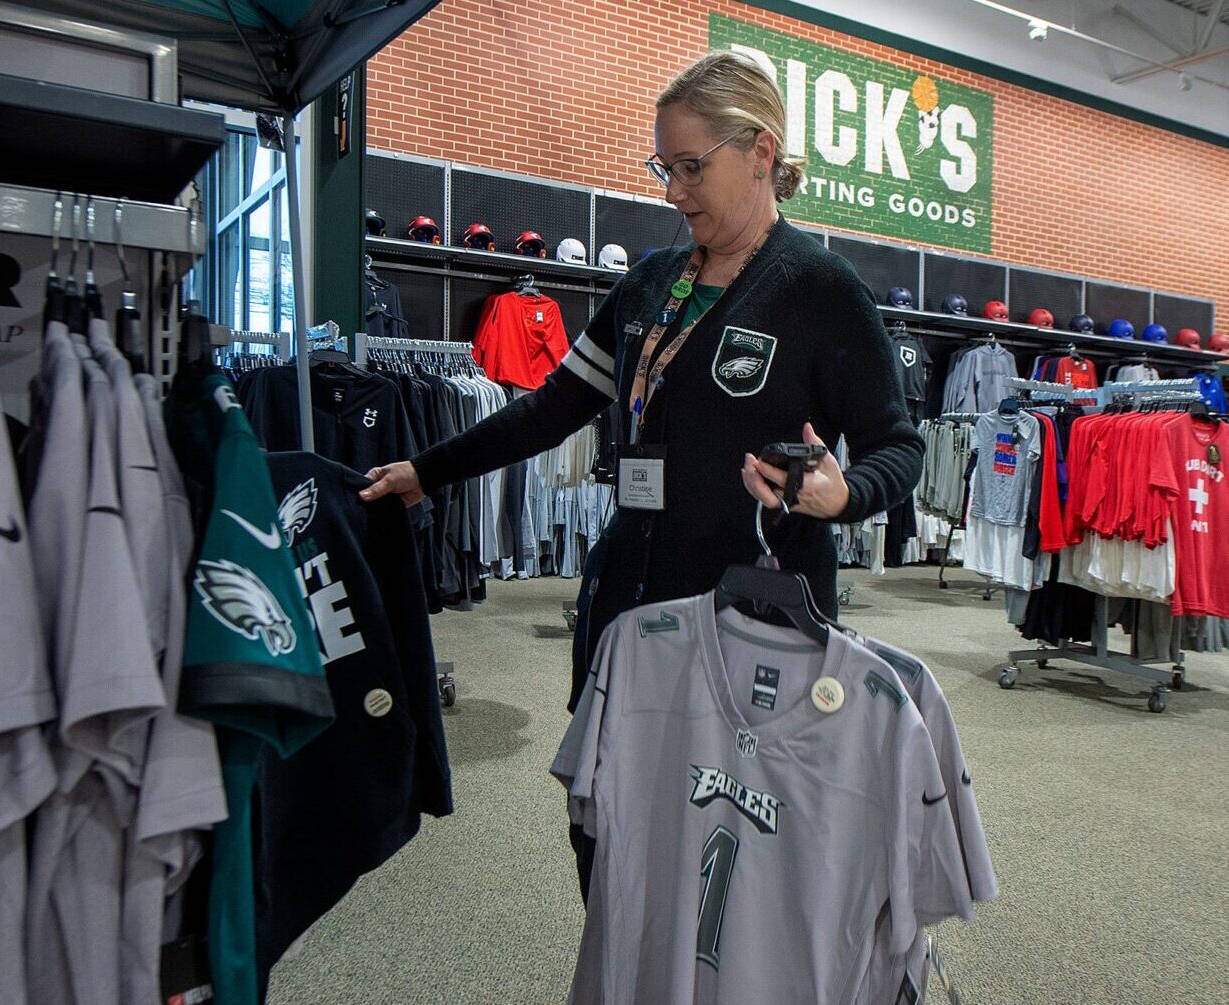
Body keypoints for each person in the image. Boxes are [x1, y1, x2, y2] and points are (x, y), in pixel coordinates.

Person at [359, 50, 923, 898]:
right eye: (665, 166)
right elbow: (551, 408)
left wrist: (844, 492)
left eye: (692, 167)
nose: (671, 190)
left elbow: (899, 448)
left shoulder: (821, 291)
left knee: (726, 862)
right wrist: (426, 469)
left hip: (751, 628)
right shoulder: (651, 282)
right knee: (609, 832)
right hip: (625, 612)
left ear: (762, 150)